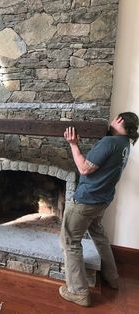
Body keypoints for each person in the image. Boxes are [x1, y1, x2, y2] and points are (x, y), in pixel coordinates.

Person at [59, 112, 139, 307]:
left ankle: (78, 292)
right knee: (99, 235)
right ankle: (112, 277)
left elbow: (85, 169)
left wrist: (73, 144)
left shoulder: (110, 142)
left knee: (69, 241)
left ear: (120, 121)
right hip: (102, 200)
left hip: (87, 200)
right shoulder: (124, 145)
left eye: (116, 117)